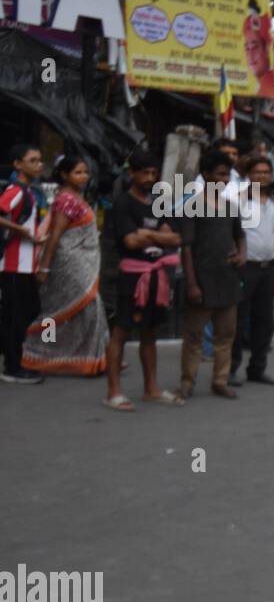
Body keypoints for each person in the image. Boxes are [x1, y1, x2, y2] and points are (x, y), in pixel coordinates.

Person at [103, 150, 181, 410]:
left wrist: (147, 234)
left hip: (157, 275)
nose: (149, 178)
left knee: (150, 333)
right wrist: (157, 235)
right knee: (121, 332)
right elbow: (130, 241)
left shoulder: (158, 202)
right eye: (144, 173)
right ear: (132, 173)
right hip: (132, 275)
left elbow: (175, 238)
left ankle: (151, 388)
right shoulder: (123, 203)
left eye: (153, 173)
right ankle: (113, 392)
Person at [21, 155, 109, 376]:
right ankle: (40, 352)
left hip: (82, 262)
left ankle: (95, 356)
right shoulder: (66, 200)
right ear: (64, 175)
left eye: (85, 172)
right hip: (67, 264)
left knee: (89, 308)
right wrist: (44, 268)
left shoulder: (77, 197)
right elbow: (55, 235)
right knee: (56, 312)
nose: (83, 177)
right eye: (78, 173)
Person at [179, 149, 245, 399]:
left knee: (225, 335)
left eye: (227, 175)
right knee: (194, 335)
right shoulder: (192, 206)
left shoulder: (231, 207)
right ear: (206, 175)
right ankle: (187, 381)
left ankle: (220, 380)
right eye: (220, 174)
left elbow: (240, 236)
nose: (225, 180)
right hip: (202, 277)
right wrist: (191, 283)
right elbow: (186, 248)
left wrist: (242, 255)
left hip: (227, 278)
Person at [229, 155, 274, 386]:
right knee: (238, 320)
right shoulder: (238, 200)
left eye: (266, 172)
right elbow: (229, 232)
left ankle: (257, 368)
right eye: (257, 172)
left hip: (267, 268)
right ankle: (230, 370)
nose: (262, 176)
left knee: (264, 321)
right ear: (249, 175)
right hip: (245, 267)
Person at [0, 143, 48, 384]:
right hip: (13, 265)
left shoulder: (29, 191)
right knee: (17, 315)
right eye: (32, 160)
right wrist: (21, 231)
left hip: (24, 264)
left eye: (39, 160)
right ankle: (12, 367)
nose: (38, 164)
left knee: (26, 311)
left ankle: (12, 358)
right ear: (18, 164)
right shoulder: (16, 190)